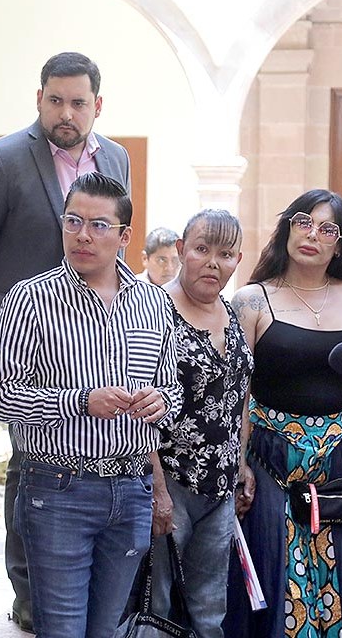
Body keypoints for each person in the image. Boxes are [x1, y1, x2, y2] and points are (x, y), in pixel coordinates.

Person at [0, 51, 131, 629]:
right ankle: (30, 593)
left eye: (78, 102)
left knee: (90, 457)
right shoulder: (0, 160)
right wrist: (7, 320)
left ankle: (87, 584)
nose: (65, 113)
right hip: (30, 340)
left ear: (97, 105)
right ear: (39, 99)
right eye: (55, 100)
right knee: (31, 463)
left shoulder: (116, 158)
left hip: (100, 338)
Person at [0, 172, 182, 638]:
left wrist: (160, 401)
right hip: (58, 489)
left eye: (98, 225)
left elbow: (173, 390)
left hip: (131, 489)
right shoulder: (29, 299)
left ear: (124, 236)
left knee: (107, 631)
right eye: (73, 221)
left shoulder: (154, 302)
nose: (82, 235)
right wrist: (80, 401)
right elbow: (2, 396)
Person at [226, 189, 342, 638]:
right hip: (272, 459)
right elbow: (237, 392)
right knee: (274, 574)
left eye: (327, 228)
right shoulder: (252, 300)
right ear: (287, 229)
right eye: (303, 222)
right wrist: (239, 464)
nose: (312, 235)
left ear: (340, 244)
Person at [148, 210, 253, 638]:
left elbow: (239, 395)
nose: (213, 263)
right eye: (202, 249)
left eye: (225, 254)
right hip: (169, 482)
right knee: (157, 607)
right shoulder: (153, 310)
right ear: (180, 250)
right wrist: (157, 490)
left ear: (237, 260)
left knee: (210, 611)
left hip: (220, 488)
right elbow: (137, 407)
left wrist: (240, 464)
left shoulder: (231, 311)